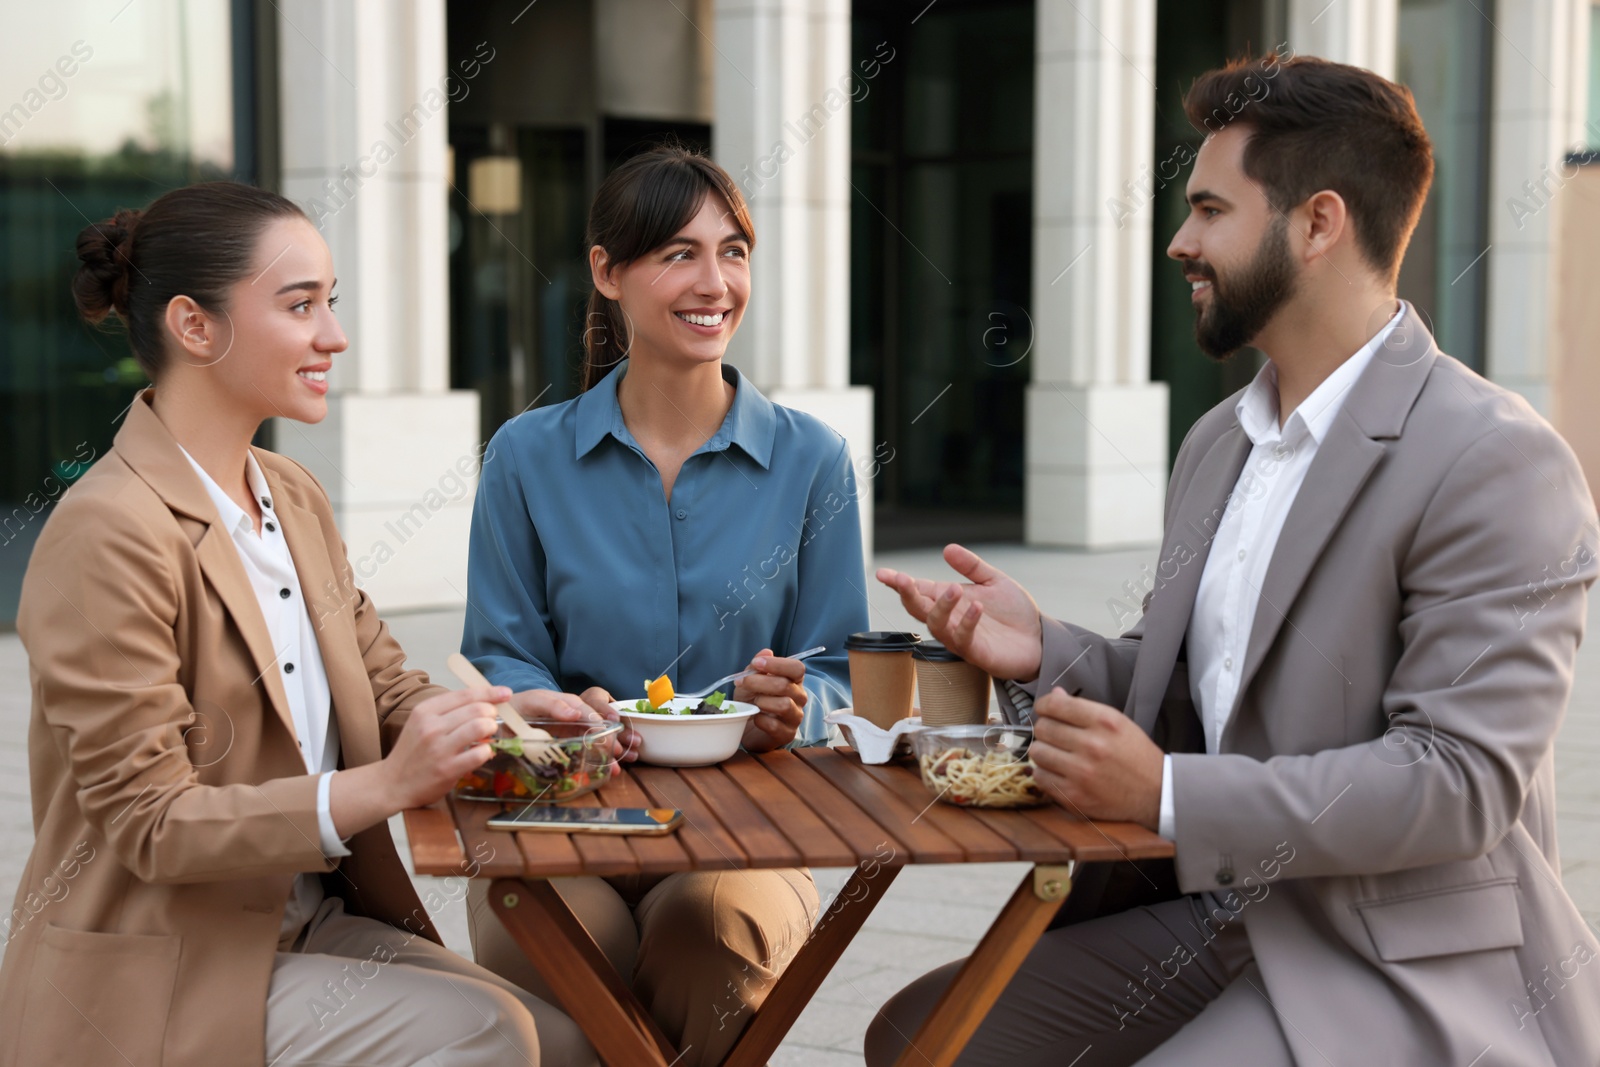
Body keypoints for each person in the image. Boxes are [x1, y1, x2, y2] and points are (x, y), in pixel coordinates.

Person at [867, 55, 1600, 1066]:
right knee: (918, 1039)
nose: (1180, 242)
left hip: (1390, 950)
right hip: (1220, 917)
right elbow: (1195, 699)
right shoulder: (1220, 440)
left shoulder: (1494, 459)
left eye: (1210, 209)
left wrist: (1168, 793)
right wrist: (1040, 649)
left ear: (1317, 223)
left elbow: (1458, 781)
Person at [0, 182, 601, 1066]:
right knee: (491, 1039)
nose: (335, 335)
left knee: (570, 1041)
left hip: (305, 921)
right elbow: (152, 821)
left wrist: (504, 723)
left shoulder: (291, 496)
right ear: (194, 327)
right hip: (167, 961)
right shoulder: (108, 530)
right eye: (300, 305)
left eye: (332, 303)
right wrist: (391, 785)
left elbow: (385, 681)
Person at [460, 144, 868, 1064]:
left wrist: (799, 707)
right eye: (678, 253)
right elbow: (501, 656)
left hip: (755, 825)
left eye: (733, 252)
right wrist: (557, 709)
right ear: (607, 272)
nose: (714, 281)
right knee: (548, 924)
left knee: (708, 927)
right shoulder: (525, 458)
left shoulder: (814, 461)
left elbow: (844, 667)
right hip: (572, 805)